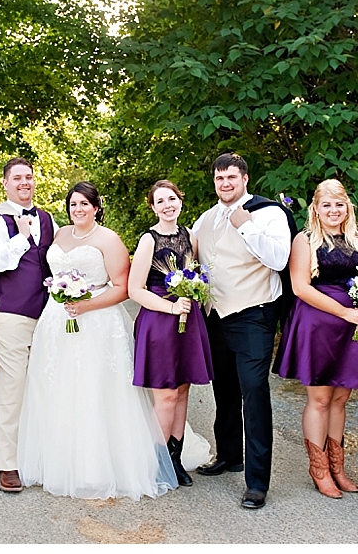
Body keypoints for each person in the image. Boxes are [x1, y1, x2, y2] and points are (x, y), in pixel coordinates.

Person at [17, 182, 177, 500]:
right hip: (57, 321)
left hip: (98, 323)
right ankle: (59, 462)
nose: (78, 209)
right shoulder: (60, 234)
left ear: (95, 206)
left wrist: (86, 305)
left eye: (84, 204)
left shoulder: (109, 239)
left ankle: (98, 468)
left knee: (95, 388)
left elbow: (122, 286)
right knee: (60, 388)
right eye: (73, 204)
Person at [191, 153, 293, 510]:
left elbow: (280, 260)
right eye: (219, 178)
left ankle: (257, 482)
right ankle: (229, 455)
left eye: (232, 177)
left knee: (254, 393)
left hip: (253, 315)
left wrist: (245, 225)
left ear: (245, 178)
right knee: (225, 391)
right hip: (214, 316)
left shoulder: (269, 214)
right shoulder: (205, 218)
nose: (225, 184)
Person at [273, 179, 358, 498]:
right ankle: (319, 469)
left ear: (348, 207)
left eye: (339, 204)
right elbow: (300, 287)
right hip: (318, 325)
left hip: (352, 329)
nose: (334, 210)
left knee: (341, 398)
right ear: (315, 209)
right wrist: (345, 313)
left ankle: (338, 466)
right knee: (320, 399)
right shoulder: (304, 240)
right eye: (327, 205)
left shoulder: (356, 241)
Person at [0, 157, 57, 493]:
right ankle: (8, 464)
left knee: (42, 385)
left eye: (29, 177)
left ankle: (37, 454)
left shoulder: (48, 218)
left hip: (45, 314)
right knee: (12, 388)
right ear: (5, 184)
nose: (25, 183)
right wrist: (21, 237)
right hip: (7, 313)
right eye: (17, 178)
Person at [128, 180, 214, 487]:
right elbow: (134, 289)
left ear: (180, 201)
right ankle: (154, 463)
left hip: (188, 320)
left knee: (182, 390)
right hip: (160, 320)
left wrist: (195, 294)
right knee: (165, 396)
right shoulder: (148, 240)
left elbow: (199, 274)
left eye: (172, 199)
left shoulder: (190, 236)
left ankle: (175, 459)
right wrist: (171, 307)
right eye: (160, 201)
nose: (167, 205)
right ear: (153, 207)